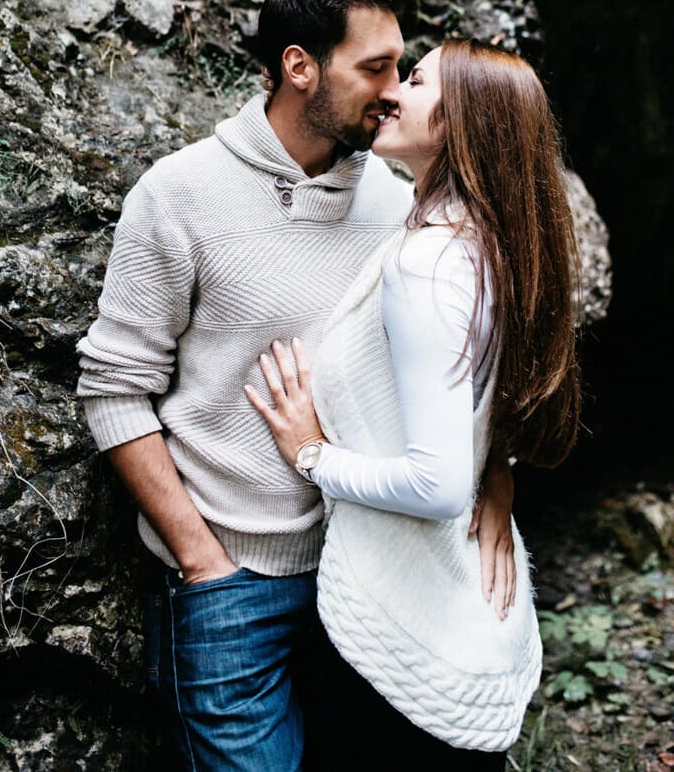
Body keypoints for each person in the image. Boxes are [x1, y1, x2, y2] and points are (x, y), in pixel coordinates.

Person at [76, 0, 516, 772]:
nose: (391, 89)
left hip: (363, 570)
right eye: (374, 67)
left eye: (401, 68)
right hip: (229, 583)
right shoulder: (179, 194)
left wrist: (493, 478)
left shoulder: (397, 204)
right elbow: (112, 389)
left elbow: (466, 363)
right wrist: (201, 560)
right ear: (298, 65)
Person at [247, 38, 582, 768]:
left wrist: (312, 454)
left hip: (398, 627)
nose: (392, 89)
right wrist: (498, 468)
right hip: (453, 607)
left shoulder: (426, 261)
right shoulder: (487, 242)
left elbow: (435, 485)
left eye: (418, 79)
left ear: (465, 119)